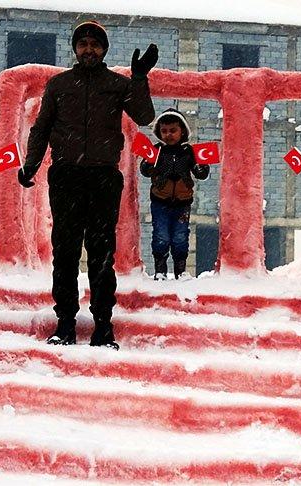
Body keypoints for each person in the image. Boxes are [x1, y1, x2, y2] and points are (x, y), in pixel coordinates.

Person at [18, 21, 158, 348]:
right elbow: (41, 128)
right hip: (66, 176)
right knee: (65, 254)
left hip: (103, 178)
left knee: (101, 254)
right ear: (75, 49)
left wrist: (139, 79)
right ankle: (65, 322)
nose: (89, 49)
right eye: (83, 44)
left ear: (104, 50)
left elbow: (144, 116)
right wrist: (32, 163)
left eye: (95, 44)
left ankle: (103, 326)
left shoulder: (116, 84)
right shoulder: (59, 85)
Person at [139, 108, 210, 280]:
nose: (168, 135)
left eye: (173, 131)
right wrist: (149, 166)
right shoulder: (156, 151)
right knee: (161, 236)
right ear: (158, 132)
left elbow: (201, 173)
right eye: (164, 131)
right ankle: (160, 270)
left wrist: (202, 168)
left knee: (180, 237)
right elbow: (145, 170)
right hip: (160, 202)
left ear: (182, 131)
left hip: (182, 203)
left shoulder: (189, 152)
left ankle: (181, 271)